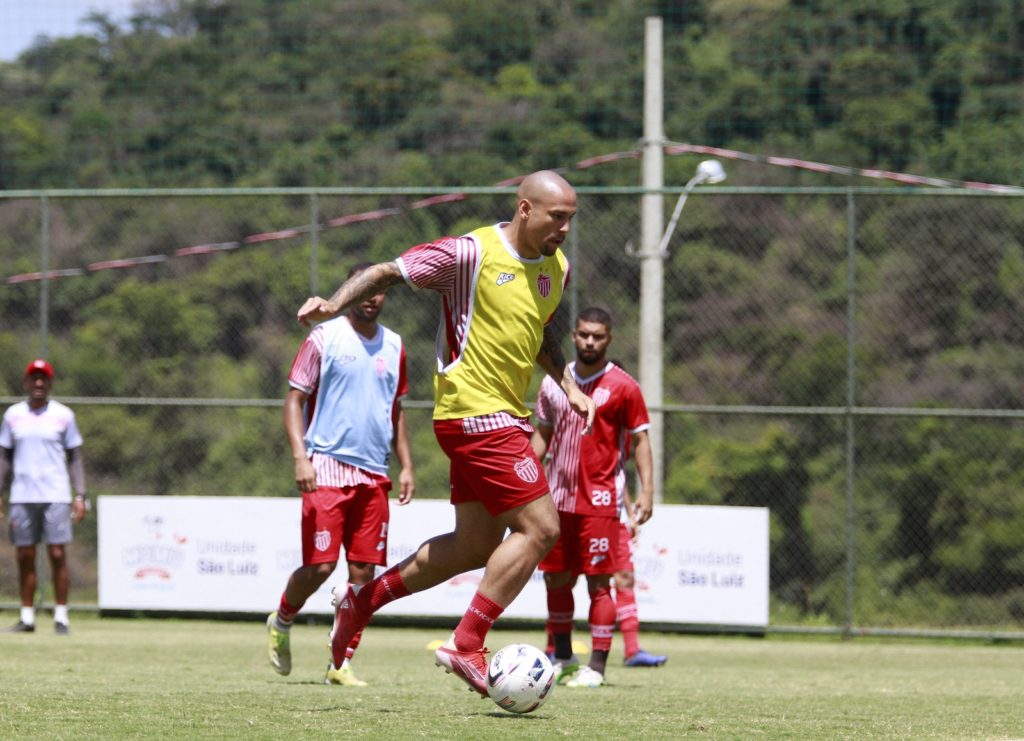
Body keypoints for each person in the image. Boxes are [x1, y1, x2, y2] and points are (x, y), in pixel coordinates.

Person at [296, 170, 596, 698]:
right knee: (542, 529)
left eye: (571, 219)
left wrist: (566, 382)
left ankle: (361, 601)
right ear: (525, 209)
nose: (565, 229)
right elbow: (389, 271)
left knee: (473, 546)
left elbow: (543, 328)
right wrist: (335, 304)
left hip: (504, 414)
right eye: (557, 217)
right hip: (473, 414)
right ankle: (467, 640)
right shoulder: (469, 254)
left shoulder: (557, 268)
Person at [267, 262, 415, 686]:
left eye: (380, 289)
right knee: (320, 567)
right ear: (347, 292)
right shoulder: (323, 338)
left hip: (374, 473)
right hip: (326, 466)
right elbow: (294, 399)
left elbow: (397, 409)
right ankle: (281, 620)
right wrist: (300, 456)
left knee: (364, 575)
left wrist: (406, 464)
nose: (371, 297)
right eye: (362, 289)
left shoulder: (395, 346)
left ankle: (340, 664)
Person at [531, 308, 662, 689]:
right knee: (556, 578)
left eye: (598, 336)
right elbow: (542, 435)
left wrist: (647, 491)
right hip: (557, 500)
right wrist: (519, 474)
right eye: (584, 335)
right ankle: (565, 657)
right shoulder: (554, 382)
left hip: (600, 502)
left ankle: (598, 668)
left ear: (609, 339)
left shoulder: (623, 386)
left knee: (599, 584)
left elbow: (640, 439)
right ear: (573, 336)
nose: (590, 342)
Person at [0, 359, 88, 634]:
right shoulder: (13, 415)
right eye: (34, 378)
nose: (39, 383)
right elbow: (4, 456)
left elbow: (75, 457)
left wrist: (80, 494)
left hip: (56, 494)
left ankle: (61, 617)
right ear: (26, 382)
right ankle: (27, 617)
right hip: (22, 495)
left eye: (44, 378)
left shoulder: (64, 415)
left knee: (57, 553)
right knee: (25, 555)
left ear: (50, 383)